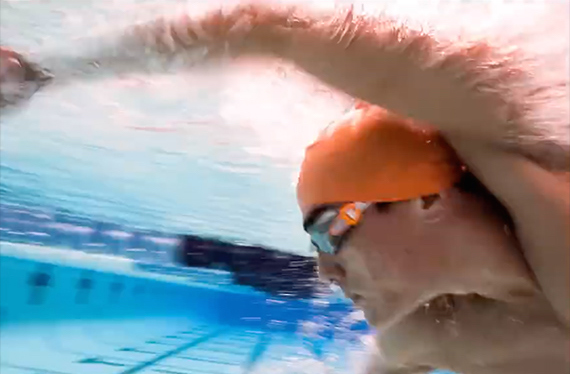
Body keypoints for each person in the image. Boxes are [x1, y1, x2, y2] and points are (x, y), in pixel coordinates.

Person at [0, 2, 568, 373]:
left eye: (330, 231)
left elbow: (266, 28)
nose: (323, 270)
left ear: (427, 198)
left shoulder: (538, 183)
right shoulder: (441, 339)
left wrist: (49, 71)